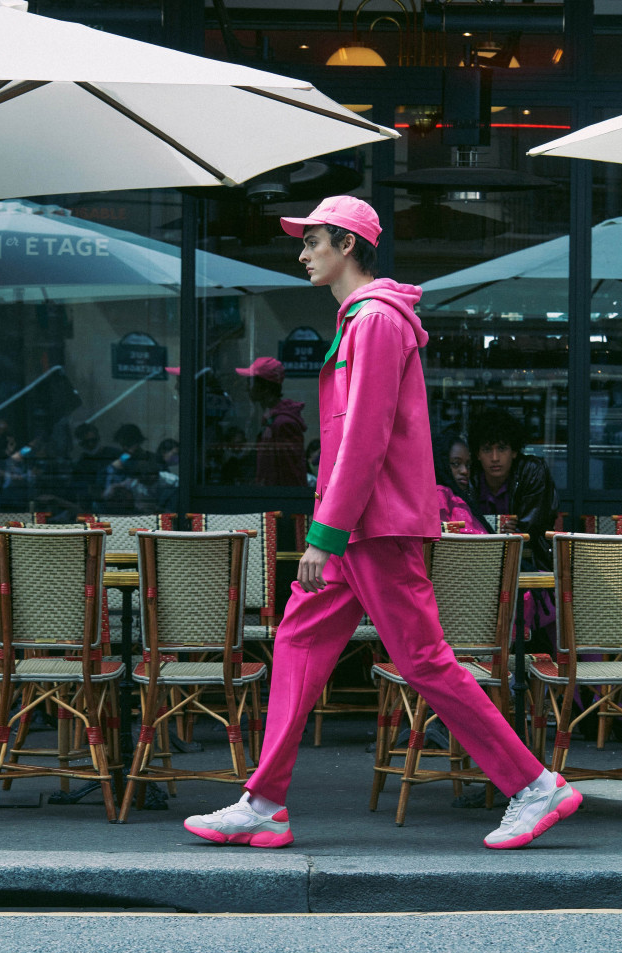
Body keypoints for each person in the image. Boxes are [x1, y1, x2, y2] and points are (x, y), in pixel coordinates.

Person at [183, 195, 582, 852]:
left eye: (311, 241)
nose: (302, 253)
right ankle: (265, 800)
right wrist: (331, 532)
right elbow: (351, 441)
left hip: (377, 528)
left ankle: (534, 785)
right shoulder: (365, 320)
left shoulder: (372, 322)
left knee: (423, 660)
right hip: (363, 529)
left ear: (345, 244)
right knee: (297, 641)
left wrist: (322, 535)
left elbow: (362, 439)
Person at [468, 409, 559, 571]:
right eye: (487, 450)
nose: (495, 458)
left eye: (502, 448)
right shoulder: (470, 476)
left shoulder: (532, 470)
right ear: (478, 454)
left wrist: (517, 531)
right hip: (477, 561)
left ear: (514, 451)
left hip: (528, 560)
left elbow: (532, 526)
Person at [236, 356, 307, 487]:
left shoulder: (283, 423)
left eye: (250, 383)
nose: (247, 388)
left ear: (265, 388)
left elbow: (291, 473)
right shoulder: (269, 419)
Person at [432, 428, 489, 533]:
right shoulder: (440, 494)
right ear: (441, 464)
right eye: (456, 463)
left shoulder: (460, 499)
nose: (465, 471)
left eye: (468, 465)